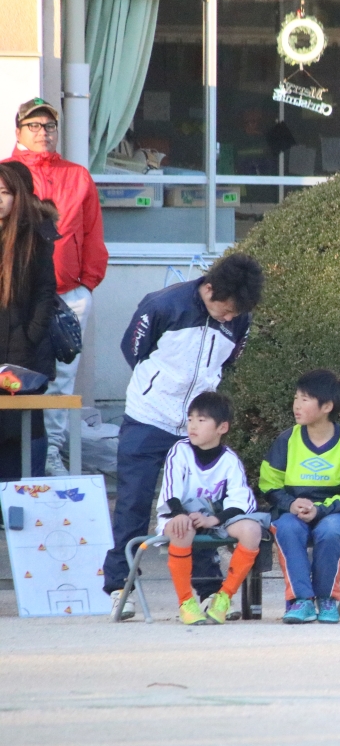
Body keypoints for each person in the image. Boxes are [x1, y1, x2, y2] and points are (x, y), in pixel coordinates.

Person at [104, 253, 264, 620]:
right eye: (226, 310)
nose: (230, 318)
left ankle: (207, 590)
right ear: (209, 289)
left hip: (199, 426)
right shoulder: (164, 305)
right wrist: (159, 389)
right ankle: (120, 588)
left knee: (199, 506)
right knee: (133, 502)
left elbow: (228, 362)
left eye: (236, 313)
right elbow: (133, 350)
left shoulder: (239, 319)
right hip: (148, 417)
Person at [3, 98, 107, 477]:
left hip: (68, 296)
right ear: (19, 131)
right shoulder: (7, 174)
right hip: (17, 301)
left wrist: (87, 284)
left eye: (48, 126)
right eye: (34, 125)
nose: (42, 132)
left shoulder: (77, 176)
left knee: (60, 380)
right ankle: (17, 462)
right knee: (13, 379)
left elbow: (92, 232)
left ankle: (50, 454)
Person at [259, 369, 340, 624]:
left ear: (327, 406)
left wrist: (319, 510)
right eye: (296, 398)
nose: (296, 405)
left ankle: (327, 599)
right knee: (286, 528)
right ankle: (301, 600)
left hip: (336, 513)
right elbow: (269, 483)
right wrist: (290, 504)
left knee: (330, 531)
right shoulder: (287, 440)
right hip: (294, 511)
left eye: (305, 399)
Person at [157, 392, 269, 625]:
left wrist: (213, 520)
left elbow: (241, 501)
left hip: (215, 518)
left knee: (251, 530)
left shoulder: (230, 460)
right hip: (179, 515)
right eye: (190, 419)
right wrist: (180, 514)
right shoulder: (180, 450)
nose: (193, 426)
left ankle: (223, 597)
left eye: (201, 420)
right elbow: (170, 492)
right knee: (182, 528)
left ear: (222, 427)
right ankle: (186, 602)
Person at [0, 163, 57, 479]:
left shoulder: (34, 237)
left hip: (20, 354)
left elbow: (45, 292)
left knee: (19, 428)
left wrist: (30, 335)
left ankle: (18, 498)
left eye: (5, 192)